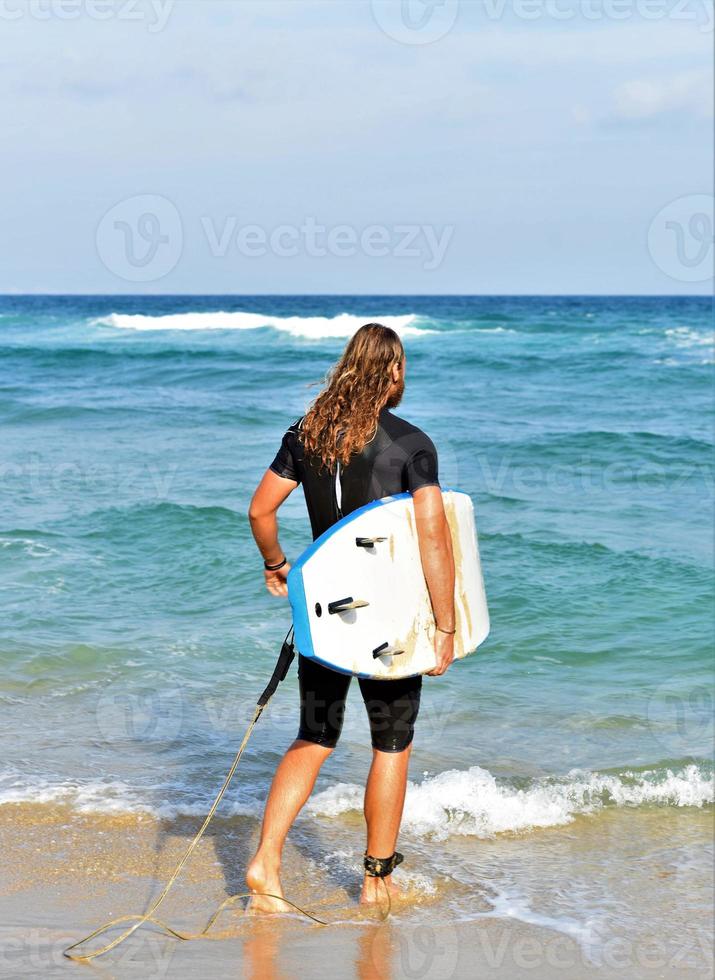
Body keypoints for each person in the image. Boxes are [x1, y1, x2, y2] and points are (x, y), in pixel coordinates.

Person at [245, 322, 456, 910]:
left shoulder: (306, 435)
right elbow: (434, 539)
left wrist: (278, 564)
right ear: (393, 372)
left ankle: (265, 863)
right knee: (392, 743)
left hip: (324, 613)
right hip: (388, 618)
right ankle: (376, 880)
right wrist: (445, 626)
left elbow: (260, 511)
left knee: (314, 735)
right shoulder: (411, 444)